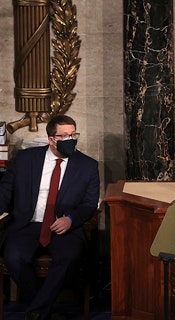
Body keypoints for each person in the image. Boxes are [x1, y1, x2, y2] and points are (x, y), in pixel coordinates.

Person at [0, 115, 100, 320]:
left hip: (63, 226)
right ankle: (42, 308)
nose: (70, 139)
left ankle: (37, 311)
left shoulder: (88, 166)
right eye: (63, 136)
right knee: (13, 256)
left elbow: (89, 204)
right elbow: (5, 191)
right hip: (28, 223)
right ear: (51, 139)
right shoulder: (25, 159)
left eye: (73, 134)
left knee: (69, 257)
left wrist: (71, 219)